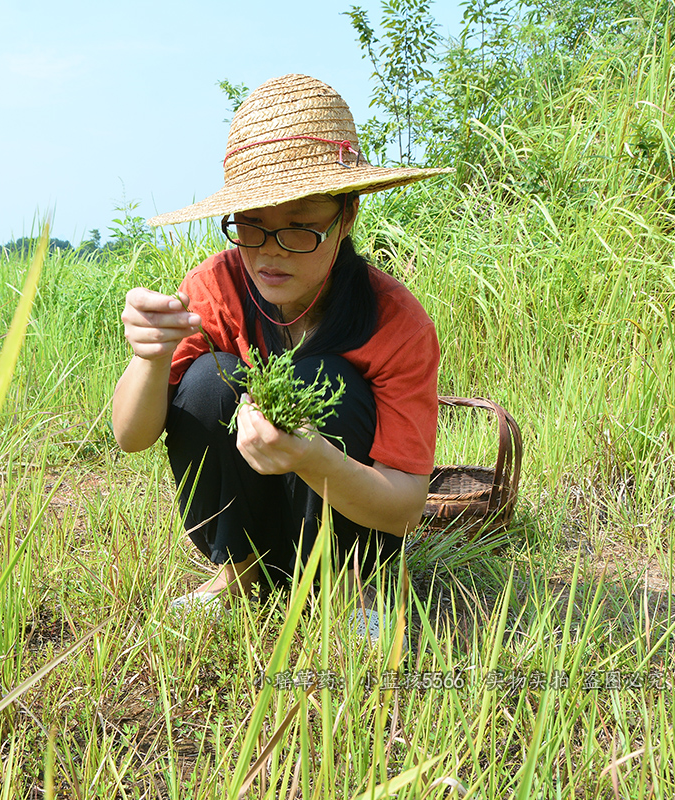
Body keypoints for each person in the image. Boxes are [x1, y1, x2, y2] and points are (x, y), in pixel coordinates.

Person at [112, 74, 448, 626]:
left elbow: (408, 507)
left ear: (347, 218)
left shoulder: (395, 321)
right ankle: (238, 575)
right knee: (204, 380)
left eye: (300, 228)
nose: (271, 253)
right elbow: (131, 436)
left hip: (352, 521)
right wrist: (147, 358)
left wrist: (316, 460)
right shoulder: (215, 289)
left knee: (324, 377)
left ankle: (354, 587)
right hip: (254, 526)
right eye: (252, 227)